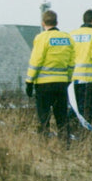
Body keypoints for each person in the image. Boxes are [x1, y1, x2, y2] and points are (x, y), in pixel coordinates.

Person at [25, 10, 75, 140]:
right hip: (61, 84)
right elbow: (71, 62)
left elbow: (36, 61)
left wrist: (29, 81)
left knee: (44, 118)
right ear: (57, 22)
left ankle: (44, 144)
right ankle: (66, 145)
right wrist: (68, 79)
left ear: (43, 23)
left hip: (43, 86)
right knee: (62, 118)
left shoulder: (41, 38)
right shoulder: (67, 38)